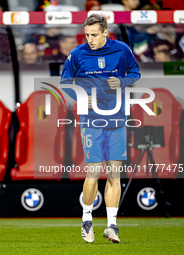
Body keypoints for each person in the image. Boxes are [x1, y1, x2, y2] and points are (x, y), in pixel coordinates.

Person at [60, 14, 141, 244]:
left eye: (94, 35)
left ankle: (111, 226)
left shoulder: (122, 49)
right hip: (91, 121)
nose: (90, 39)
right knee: (93, 172)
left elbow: (135, 72)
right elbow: (66, 82)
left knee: (114, 175)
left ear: (105, 32)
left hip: (116, 120)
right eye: (87, 35)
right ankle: (87, 220)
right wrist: (80, 96)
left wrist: (123, 82)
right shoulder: (77, 54)